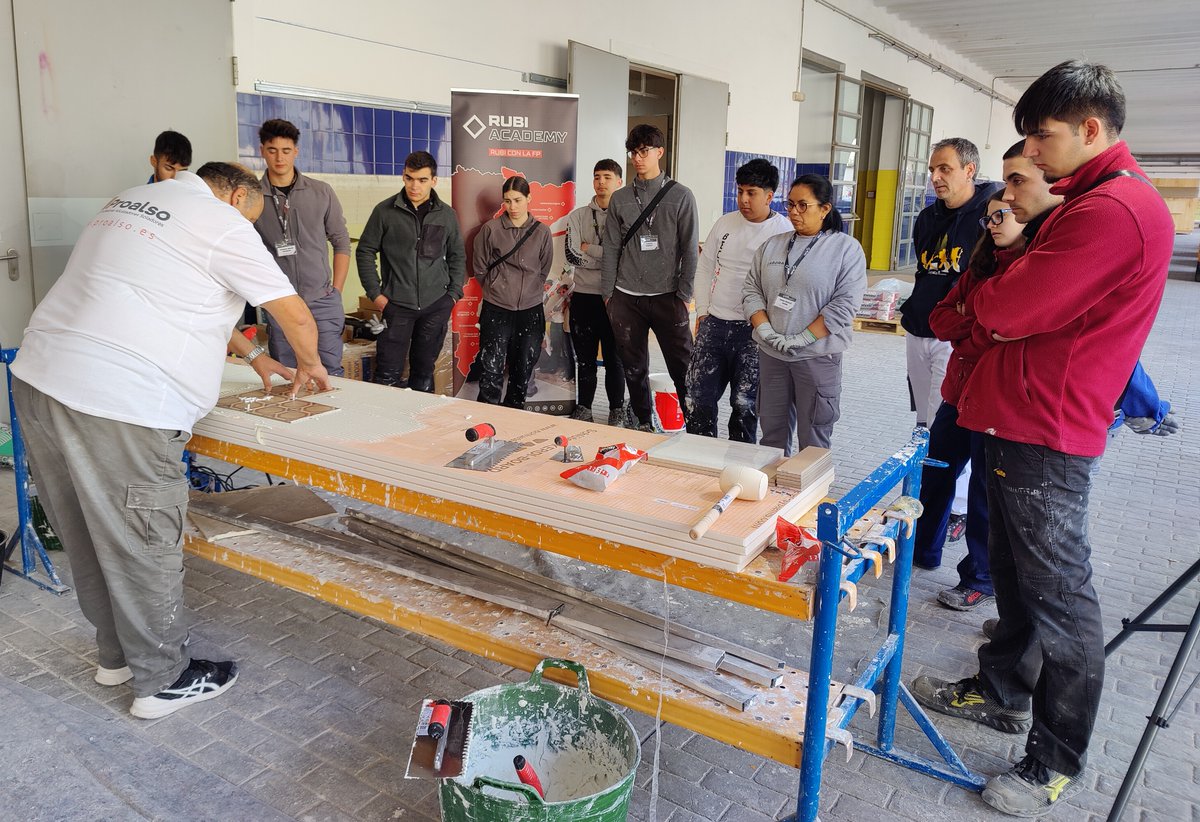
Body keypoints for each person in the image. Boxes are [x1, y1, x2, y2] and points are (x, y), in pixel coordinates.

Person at [912, 61, 1175, 818]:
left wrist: (992, 293)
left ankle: (1055, 760)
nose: (1030, 151)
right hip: (1012, 415)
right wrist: (993, 285)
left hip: (1047, 429)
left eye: (1041, 135)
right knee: (1020, 577)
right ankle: (999, 692)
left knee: (1061, 597)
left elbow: (1007, 312)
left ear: (1091, 130)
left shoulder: (1113, 211)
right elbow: (964, 309)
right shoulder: (1085, 202)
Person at [10, 162, 330, 720]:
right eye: (251, 215)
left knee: (85, 527)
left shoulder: (130, 199)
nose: (249, 228)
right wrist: (310, 367)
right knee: (142, 536)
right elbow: (296, 315)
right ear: (235, 196)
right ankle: (162, 680)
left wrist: (256, 358)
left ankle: (117, 657)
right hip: (121, 402)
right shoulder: (223, 222)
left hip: (40, 381)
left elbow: (178, 293)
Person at [916, 179, 1029, 607]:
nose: (994, 223)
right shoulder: (980, 266)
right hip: (958, 394)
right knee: (935, 470)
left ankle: (980, 577)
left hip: (993, 403)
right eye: (990, 217)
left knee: (984, 492)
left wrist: (973, 325)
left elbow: (1005, 333)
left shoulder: (1027, 270)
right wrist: (974, 324)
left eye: (1004, 216)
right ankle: (922, 550)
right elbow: (941, 317)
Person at [901, 138, 1003, 543]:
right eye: (932, 170)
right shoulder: (927, 217)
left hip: (956, 340)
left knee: (951, 420)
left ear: (969, 170)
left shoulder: (989, 215)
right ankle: (927, 497)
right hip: (920, 329)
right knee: (925, 423)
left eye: (944, 169)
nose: (935, 177)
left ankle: (956, 508)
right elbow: (927, 271)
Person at [743, 175, 865, 454]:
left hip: (817, 357)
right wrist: (764, 330)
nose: (794, 213)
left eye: (803, 205)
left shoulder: (845, 249)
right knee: (772, 436)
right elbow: (751, 289)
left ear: (825, 209)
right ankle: (773, 494)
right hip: (772, 354)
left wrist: (804, 337)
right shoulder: (772, 245)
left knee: (813, 439)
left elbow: (845, 304)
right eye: (790, 205)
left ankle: (812, 497)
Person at [601, 124, 698, 432]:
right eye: (633, 152)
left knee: (683, 367)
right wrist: (608, 294)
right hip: (625, 297)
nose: (638, 158)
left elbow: (690, 249)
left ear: (659, 152)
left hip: (668, 296)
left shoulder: (681, 196)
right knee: (633, 367)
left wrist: (683, 294)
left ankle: (697, 426)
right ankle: (644, 421)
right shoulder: (620, 198)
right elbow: (612, 248)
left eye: (644, 151)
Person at [686, 159, 791, 443]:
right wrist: (704, 312)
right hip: (715, 325)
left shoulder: (783, 233)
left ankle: (737, 469)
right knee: (698, 400)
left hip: (754, 332)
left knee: (744, 406)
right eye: (740, 191)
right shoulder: (725, 223)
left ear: (770, 196)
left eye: (752, 193)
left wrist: (771, 328)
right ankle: (699, 460)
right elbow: (705, 267)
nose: (743, 199)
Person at [357, 150, 465, 392]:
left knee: (424, 371)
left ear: (434, 181)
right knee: (387, 372)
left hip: (436, 305)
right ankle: (386, 427)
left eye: (422, 180)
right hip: (396, 306)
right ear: (403, 176)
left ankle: (419, 425)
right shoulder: (384, 212)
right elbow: (365, 251)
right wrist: (376, 294)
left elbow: (458, 256)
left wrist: (453, 295)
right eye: (409, 178)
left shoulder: (447, 215)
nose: (414, 186)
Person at [253, 118, 352, 377]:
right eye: (272, 150)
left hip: (322, 299)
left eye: (286, 151)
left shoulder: (321, 192)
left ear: (295, 151)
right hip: (281, 301)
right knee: (287, 372)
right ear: (262, 150)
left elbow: (341, 241)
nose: (279, 158)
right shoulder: (251, 197)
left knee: (330, 372)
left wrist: (337, 291)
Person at [471, 176, 554, 407]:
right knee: (491, 370)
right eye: (507, 201)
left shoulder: (542, 232)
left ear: (529, 198)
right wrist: (497, 288)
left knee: (522, 371)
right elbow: (480, 268)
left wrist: (529, 292)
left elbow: (543, 270)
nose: (513, 207)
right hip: (497, 308)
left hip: (530, 310)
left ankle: (513, 417)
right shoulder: (491, 229)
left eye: (518, 200)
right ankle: (486, 422)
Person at [564, 158, 629, 426]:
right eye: (596, 177)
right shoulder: (578, 215)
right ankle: (584, 407)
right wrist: (607, 257)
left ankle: (616, 409)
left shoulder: (627, 215)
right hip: (584, 297)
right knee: (586, 359)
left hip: (616, 297)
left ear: (619, 182)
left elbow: (626, 257)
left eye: (607, 177)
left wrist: (589, 247)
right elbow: (571, 255)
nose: (601, 182)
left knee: (615, 359)